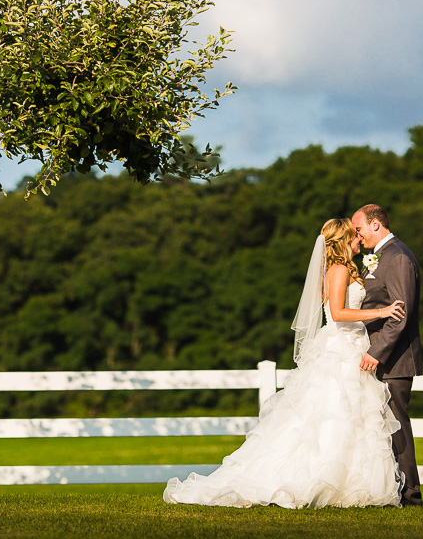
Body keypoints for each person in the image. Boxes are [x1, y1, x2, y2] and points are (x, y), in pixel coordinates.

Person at [163, 218, 406, 508]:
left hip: (351, 346)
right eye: (353, 236)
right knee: (334, 413)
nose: (358, 239)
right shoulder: (339, 269)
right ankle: (324, 480)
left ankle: (350, 485)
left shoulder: (341, 269)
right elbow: (339, 314)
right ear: (342, 241)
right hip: (341, 348)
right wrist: (381, 312)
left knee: (351, 415)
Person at [352, 204, 423, 506]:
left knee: (397, 426)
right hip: (381, 357)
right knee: (381, 425)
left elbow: (400, 314)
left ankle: (411, 496)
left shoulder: (397, 258)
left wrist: (376, 352)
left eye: (359, 229)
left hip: (393, 360)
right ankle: (390, 490)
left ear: (376, 224)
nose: (357, 235)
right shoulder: (382, 256)